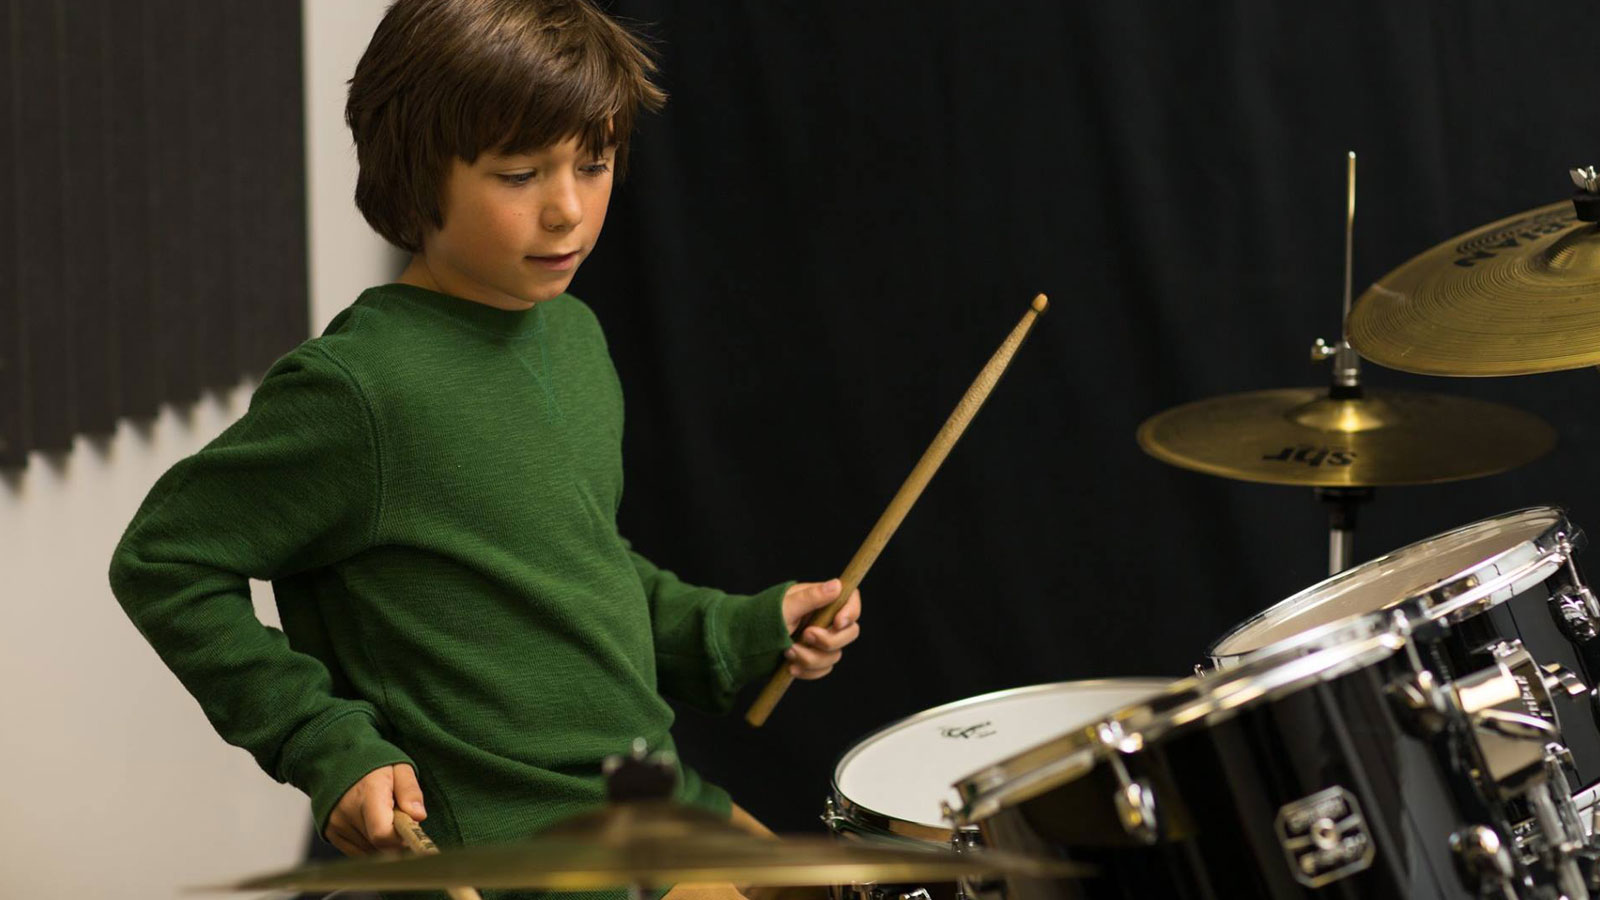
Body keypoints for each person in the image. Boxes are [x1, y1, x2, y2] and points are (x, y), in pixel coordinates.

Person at [107, 0, 860, 896]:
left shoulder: (574, 339)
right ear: (419, 175)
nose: (568, 210)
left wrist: (749, 629)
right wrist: (324, 745)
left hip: (648, 798)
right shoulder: (362, 390)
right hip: (522, 852)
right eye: (519, 174)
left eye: (595, 162)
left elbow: (578, 574)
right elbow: (163, 561)